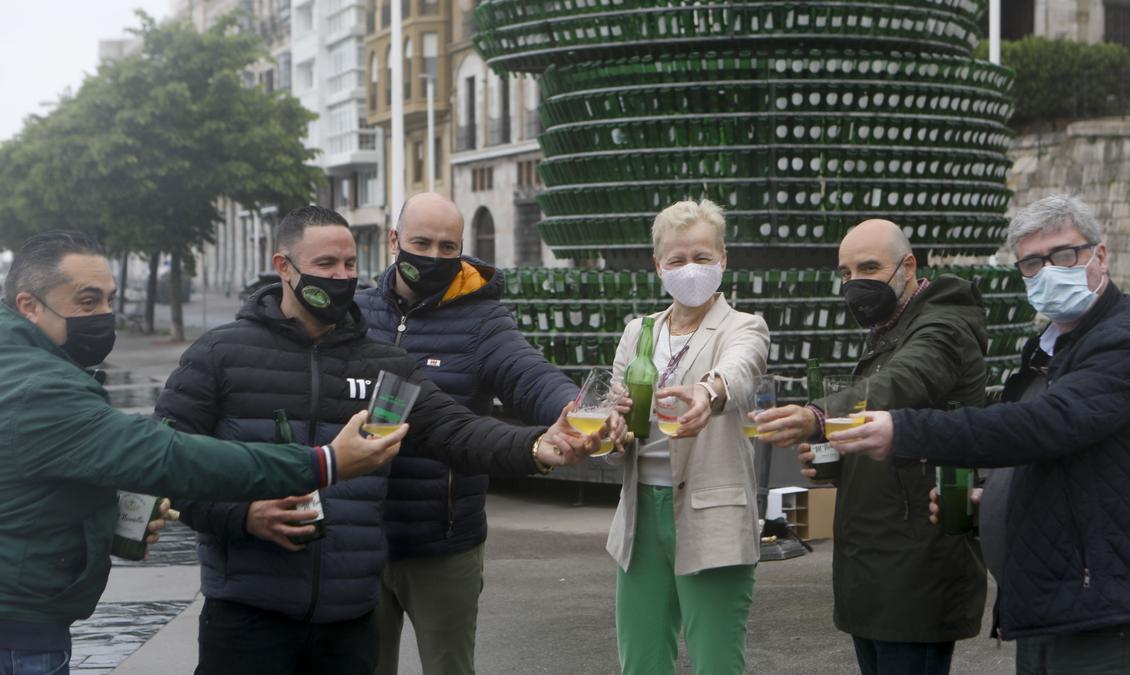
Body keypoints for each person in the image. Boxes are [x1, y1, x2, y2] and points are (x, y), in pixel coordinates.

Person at [155, 205, 609, 675]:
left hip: (348, 611)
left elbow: (454, 429)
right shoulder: (220, 354)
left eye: (349, 265)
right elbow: (165, 461)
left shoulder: (382, 364)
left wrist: (538, 445)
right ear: (283, 267)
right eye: (325, 264)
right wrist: (243, 515)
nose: (340, 276)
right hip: (249, 611)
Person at [0, 230, 407, 670]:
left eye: (109, 299)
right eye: (87, 301)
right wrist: (323, 462)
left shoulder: (22, 364)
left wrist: (109, 514)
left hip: (346, 613)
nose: (105, 315)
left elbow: (32, 486)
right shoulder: (41, 387)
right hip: (20, 634)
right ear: (29, 306)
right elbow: (165, 455)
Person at [830, 195, 1130, 675]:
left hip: (1111, 609)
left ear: (1099, 256)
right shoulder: (1050, 348)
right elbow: (1065, 460)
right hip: (1056, 602)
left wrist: (904, 428)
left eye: (1063, 255)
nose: (1048, 270)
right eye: (1031, 262)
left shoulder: (1128, 341)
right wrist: (995, 499)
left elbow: (1044, 425)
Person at [355, 193, 581, 675]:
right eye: (421, 243)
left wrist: (575, 412)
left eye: (446, 246)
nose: (434, 257)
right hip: (360, 538)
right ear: (394, 240)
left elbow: (529, 374)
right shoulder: (355, 314)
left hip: (444, 541)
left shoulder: (482, 320)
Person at [754, 219, 988, 674]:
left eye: (868, 267)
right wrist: (839, 459)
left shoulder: (943, 327)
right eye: (845, 272)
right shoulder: (893, 327)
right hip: (875, 560)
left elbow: (901, 384)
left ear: (908, 266)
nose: (854, 283)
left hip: (917, 560)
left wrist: (820, 417)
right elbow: (894, 426)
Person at [604, 199, 769, 675]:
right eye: (676, 260)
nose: (690, 269)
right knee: (641, 660)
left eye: (702, 257)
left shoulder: (744, 327)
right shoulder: (639, 331)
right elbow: (616, 406)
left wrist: (708, 391)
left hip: (713, 514)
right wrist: (612, 430)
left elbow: (740, 368)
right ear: (658, 266)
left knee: (716, 661)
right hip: (640, 517)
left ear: (723, 259)